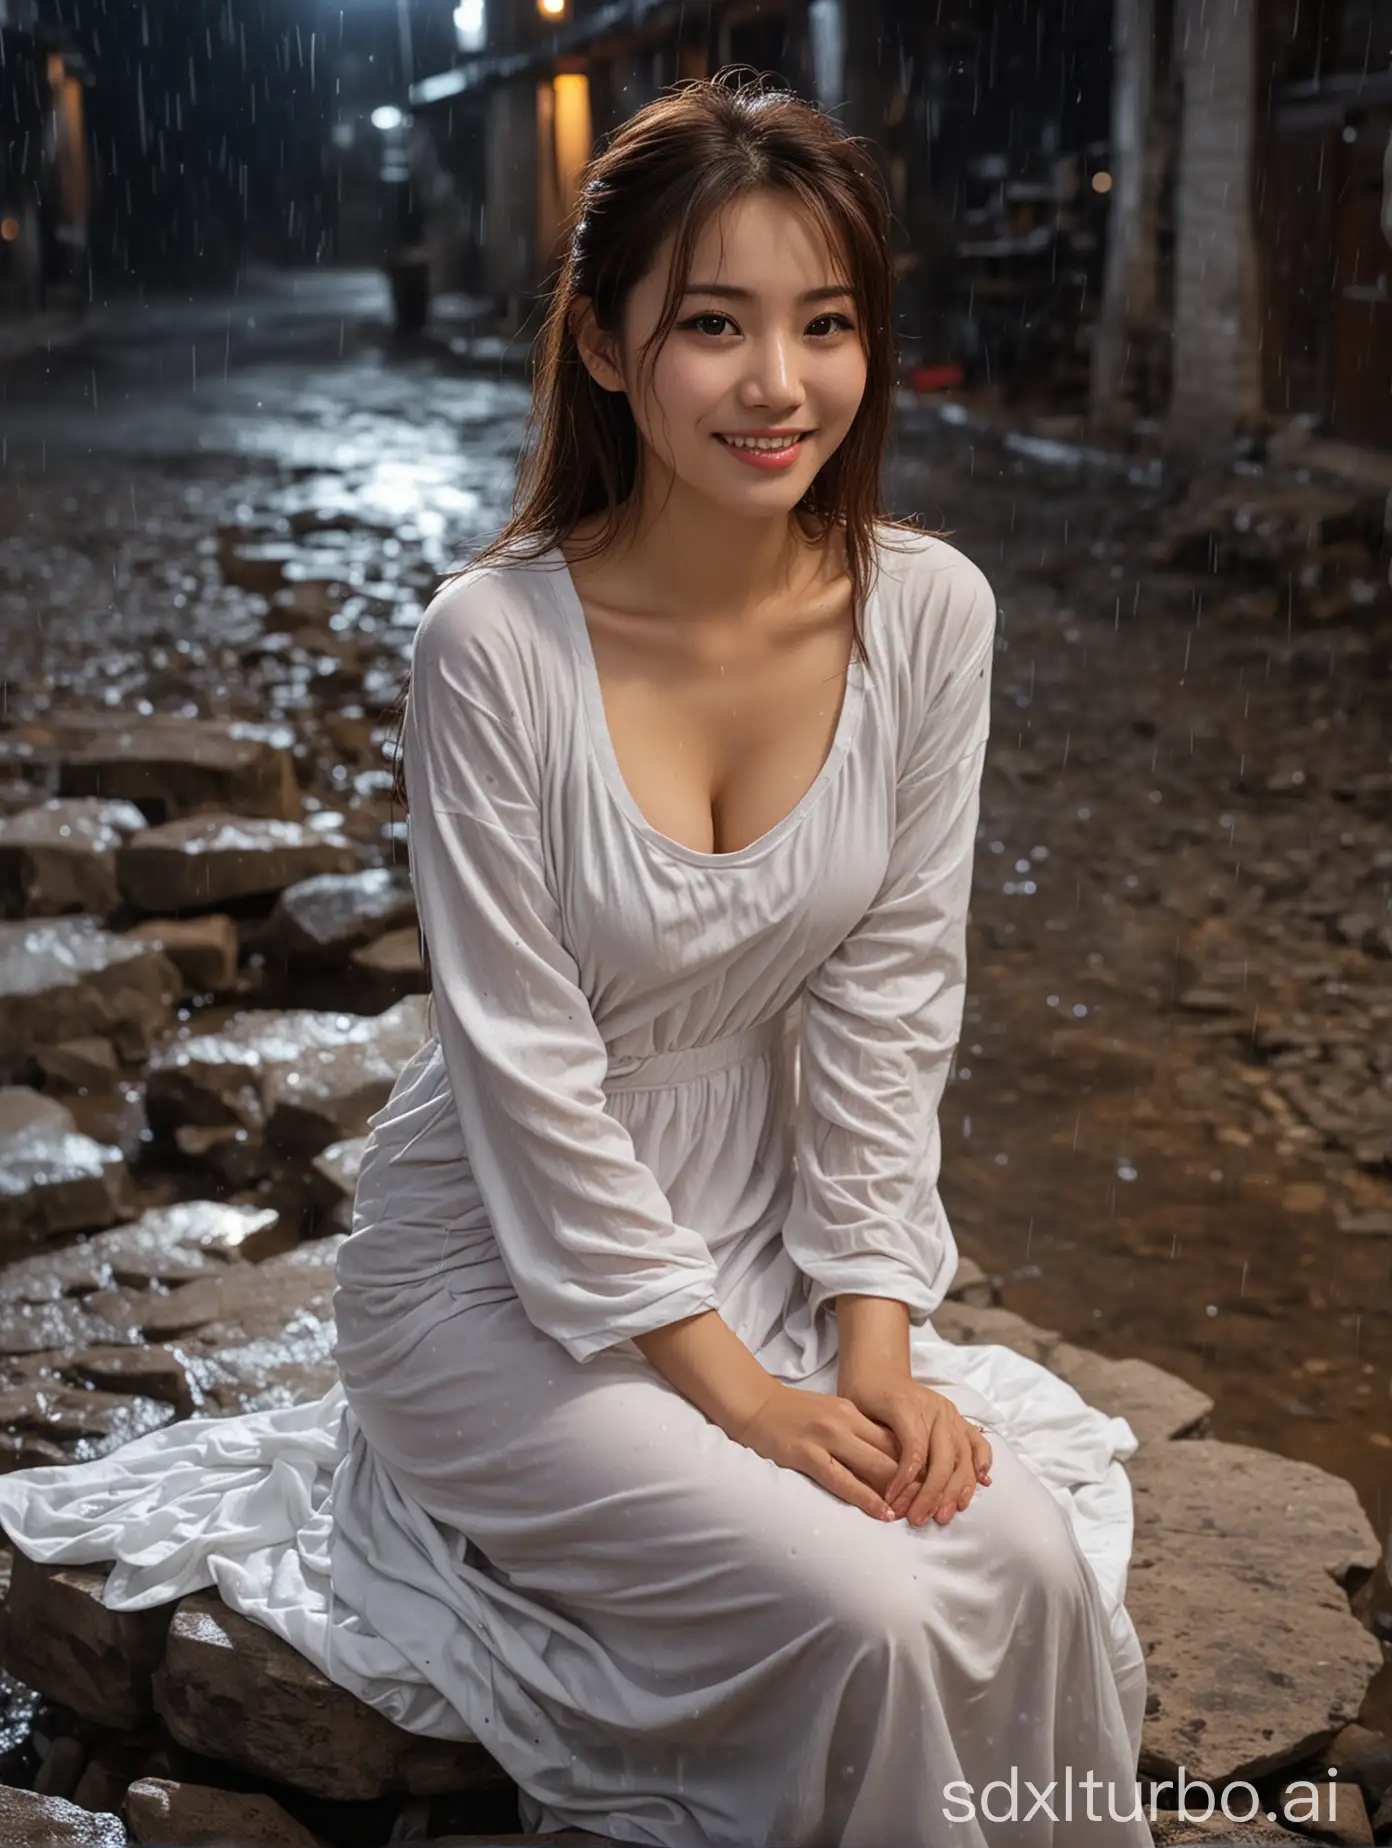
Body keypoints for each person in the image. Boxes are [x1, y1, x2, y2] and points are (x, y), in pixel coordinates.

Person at [0, 74, 1152, 1848]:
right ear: (609, 348)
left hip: (763, 1229)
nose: (780, 386)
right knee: (865, 1615)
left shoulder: (931, 613)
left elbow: (889, 1003)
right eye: (715, 325)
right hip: (492, 1273)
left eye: (825, 325)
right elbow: (522, 1064)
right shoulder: (494, 645)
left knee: (1022, 1569)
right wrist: (738, 1398)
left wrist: (869, 1341)